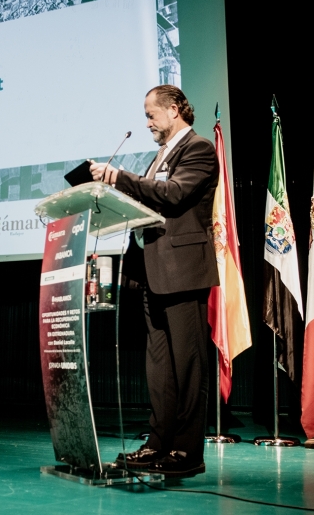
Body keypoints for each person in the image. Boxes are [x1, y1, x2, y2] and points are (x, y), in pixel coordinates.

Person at [89, 85, 219, 479]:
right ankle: (158, 443)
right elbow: (146, 203)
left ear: (175, 109)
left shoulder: (198, 150)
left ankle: (186, 450)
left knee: (188, 365)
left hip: (183, 271)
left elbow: (174, 195)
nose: (147, 123)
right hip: (153, 272)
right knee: (159, 367)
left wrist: (120, 177)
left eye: (151, 114)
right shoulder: (158, 156)